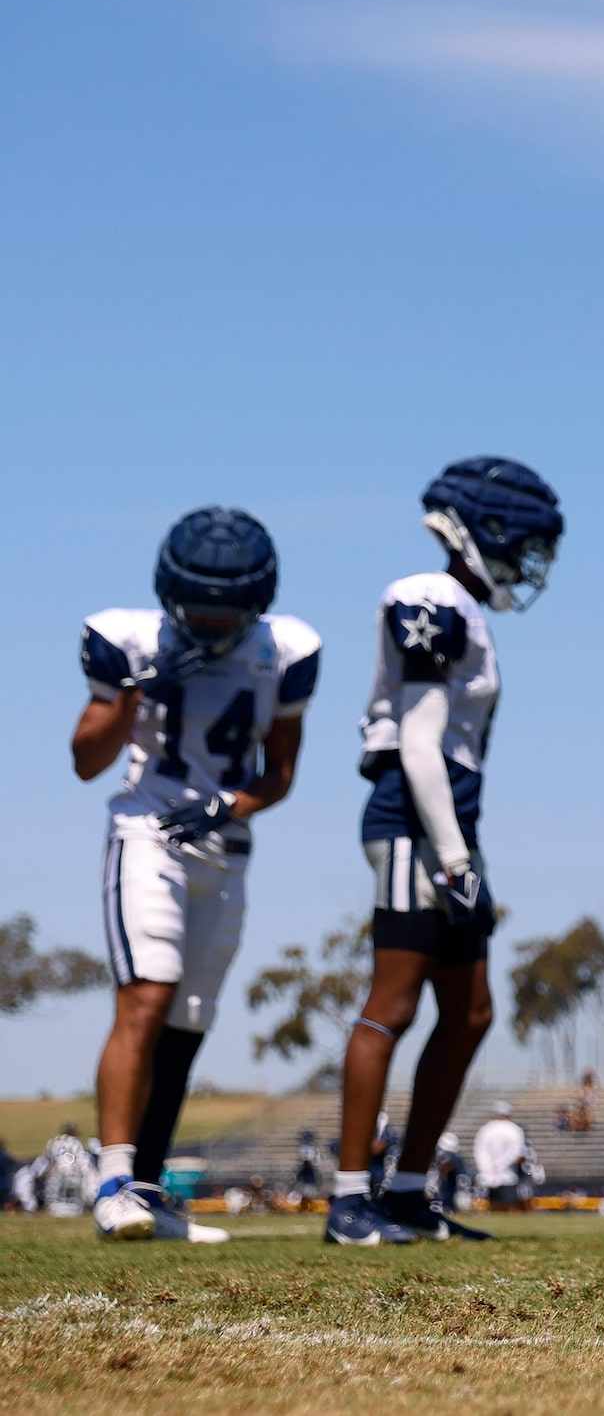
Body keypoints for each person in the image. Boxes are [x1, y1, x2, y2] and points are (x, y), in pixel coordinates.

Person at [326, 459, 565, 1247]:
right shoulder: (427, 599)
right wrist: (457, 862)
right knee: (392, 1002)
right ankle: (349, 1198)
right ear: (484, 529)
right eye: (522, 544)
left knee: (469, 1012)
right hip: (415, 824)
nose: (527, 563)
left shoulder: (464, 605)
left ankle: (403, 1190)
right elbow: (421, 746)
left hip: (451, 827)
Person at [74, 507, 317, 1244]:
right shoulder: (127, 640)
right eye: (199, 615)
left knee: (186, 1026)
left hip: (223, 846)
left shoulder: (289, 649)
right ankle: (112, 1181)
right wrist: (138, 690)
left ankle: (146, 1193)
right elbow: (87, 758)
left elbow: (279, 774)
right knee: (145, 1000)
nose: (211, 630)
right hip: (146, 829)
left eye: (226, 616)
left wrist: (227, 805)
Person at [473, 1103, 532, 1209]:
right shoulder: (514, 1129)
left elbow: (480, 1151)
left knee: (494, 1204)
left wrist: (487, 1167)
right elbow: (516, 1152)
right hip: (507, 1172)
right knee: (509, 1204)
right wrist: (501, 1165)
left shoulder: (485, 1129)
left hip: (490, 1173)